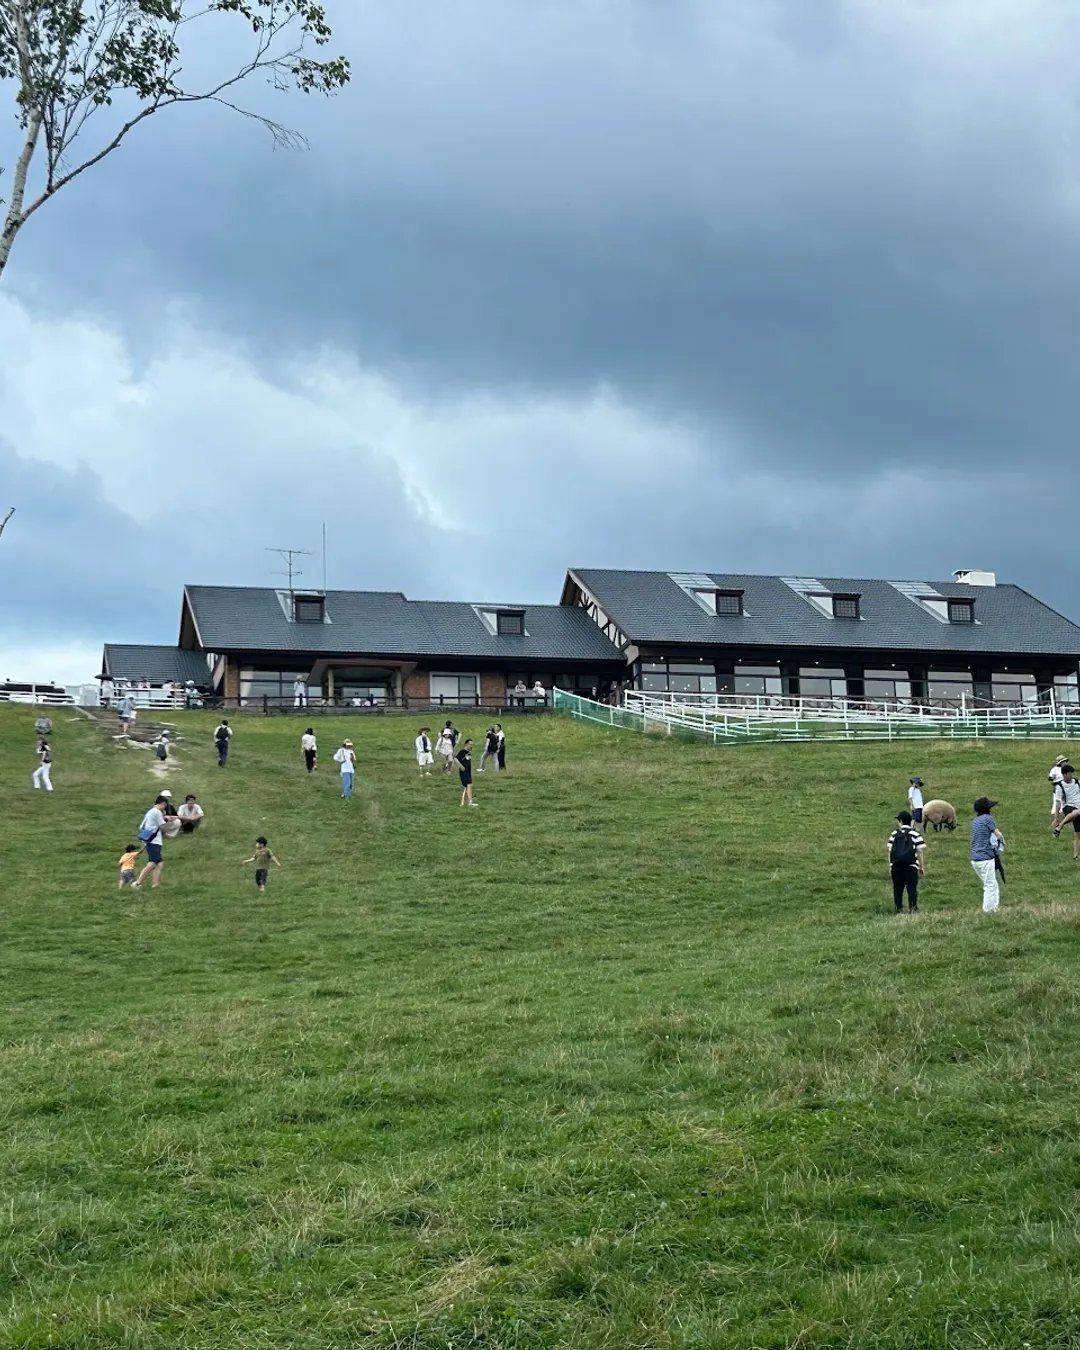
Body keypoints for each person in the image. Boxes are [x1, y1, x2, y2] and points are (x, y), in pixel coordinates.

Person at [887, 810, 925, 914]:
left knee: (897, 889)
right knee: (912, 889)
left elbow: (890, 850)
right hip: (911, 866)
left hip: (896, 866)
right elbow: (919, 851)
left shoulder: (894, 834)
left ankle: (898, 909)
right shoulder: (915, 834)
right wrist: (921, 867)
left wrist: (891, 866)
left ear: (900, 821)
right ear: (910, 821)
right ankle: (913, 909)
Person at [970, 797, 1004, 913]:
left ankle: (993, 908)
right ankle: (988, 910)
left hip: (975, 858)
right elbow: (998, 835)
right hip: (986, 857)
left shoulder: (975, 821)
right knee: (990, 885)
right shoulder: (988, 818)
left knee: (990, 884)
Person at [132, 795, 169, 889]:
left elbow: (141, 826)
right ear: (162, 804)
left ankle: (155, 884)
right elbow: (162, 826)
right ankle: (137, 883)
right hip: (154, 841)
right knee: (153, 862)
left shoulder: (150, 812)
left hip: (149, 840)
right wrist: (167, 820)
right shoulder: (157, 812)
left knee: (159, 863)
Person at [1051, 764, 1080, 857]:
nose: (1071, 775)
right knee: (1077, 812)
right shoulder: (1060, 787)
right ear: (1064, 775)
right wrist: (1056, 818)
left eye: (1071, 773)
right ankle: (1060, 826)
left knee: (1078, 833)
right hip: (1068, 807)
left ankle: (1076, 855)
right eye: (1069, 773)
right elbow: (1058, 803)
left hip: (1079, 808)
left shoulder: (1077, 782)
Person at [1049, 755, 1069, 827]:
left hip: (1066, 788)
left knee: (1065, 802)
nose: (1065, 763)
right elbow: (1051, 778)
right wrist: (1056, 781)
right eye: (1063, 762)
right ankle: (1056, 819)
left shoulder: (1066, 769)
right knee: (1057, 802)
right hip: (1058, 788)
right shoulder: (1055, 769)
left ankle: (1061, 818)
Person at [457, 737, 477, 806]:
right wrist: (461, 766)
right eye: (470, 744)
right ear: (466, 744)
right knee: (468, 785)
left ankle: (464, 802)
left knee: (468, 786)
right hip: (464, 771)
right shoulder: (462, 752)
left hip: (468, 771)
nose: (471, 746)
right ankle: (470, 802)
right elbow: (456, 758)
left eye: (472, 745)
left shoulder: (468, 753)